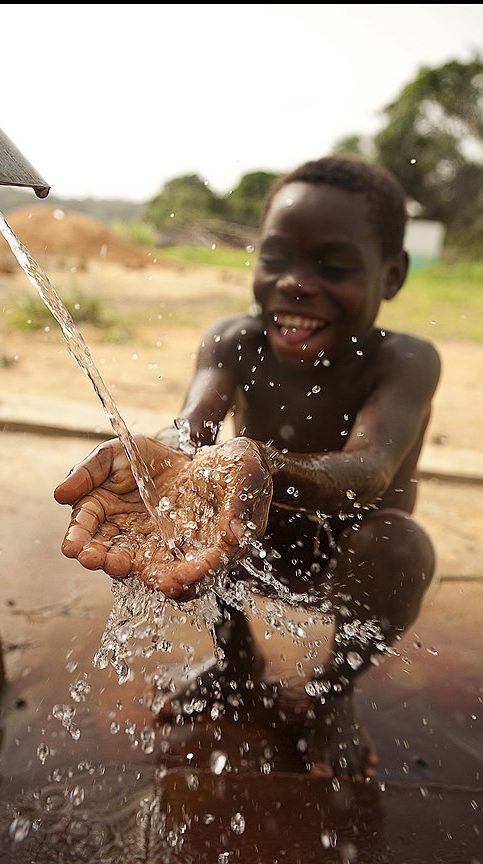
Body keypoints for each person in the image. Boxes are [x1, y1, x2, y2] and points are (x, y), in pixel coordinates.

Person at [54, 155, 440, 780]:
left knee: (403, 547)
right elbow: (189, 427)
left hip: (350, 552)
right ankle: (237, 662)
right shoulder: (234, 340)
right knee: (186, 510)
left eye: (333, 267)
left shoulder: (402, 361)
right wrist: (161, 460)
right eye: (275, 258)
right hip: (249, 538)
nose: (295, 282)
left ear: (391, 275)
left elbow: (370, 468)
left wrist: (259, 465)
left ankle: (331, 692)